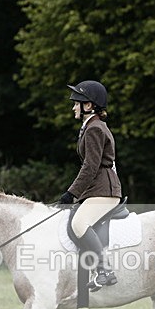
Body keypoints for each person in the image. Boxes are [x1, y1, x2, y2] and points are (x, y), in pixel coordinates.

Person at [59, 80, 122, 291]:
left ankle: (104, 271)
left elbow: (90, 167)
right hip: (98, 188)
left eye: (76, 103)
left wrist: (71, 193)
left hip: (105, 189)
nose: (73, 107)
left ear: (89, 105)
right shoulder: (91, 127)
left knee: (79, 224)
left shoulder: (94, 128)